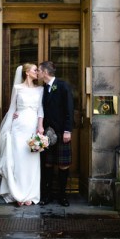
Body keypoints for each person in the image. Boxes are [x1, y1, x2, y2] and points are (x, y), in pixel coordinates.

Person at [0, 63, 44, 206]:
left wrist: (40, 127)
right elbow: (12, 108)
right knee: (19, 161)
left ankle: (30, 194)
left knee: (32, 161)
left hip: (32, 127)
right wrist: (9, 126)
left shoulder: (40, 89)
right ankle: (17, 194)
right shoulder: (17, 88)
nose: (38, 72)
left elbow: (40, 109)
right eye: (35, 70)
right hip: (18, 128)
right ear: (27, 72)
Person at [37, 61, 74, 207]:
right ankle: (47, 195)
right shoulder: (44, 88)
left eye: (39, 70)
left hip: (61, 132)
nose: (38, 73)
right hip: (47, 132)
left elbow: (69, 109)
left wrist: (67, 130)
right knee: (47, 164)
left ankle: (62, 196)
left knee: (63, 165)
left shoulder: (63, 85)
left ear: (45, 72)